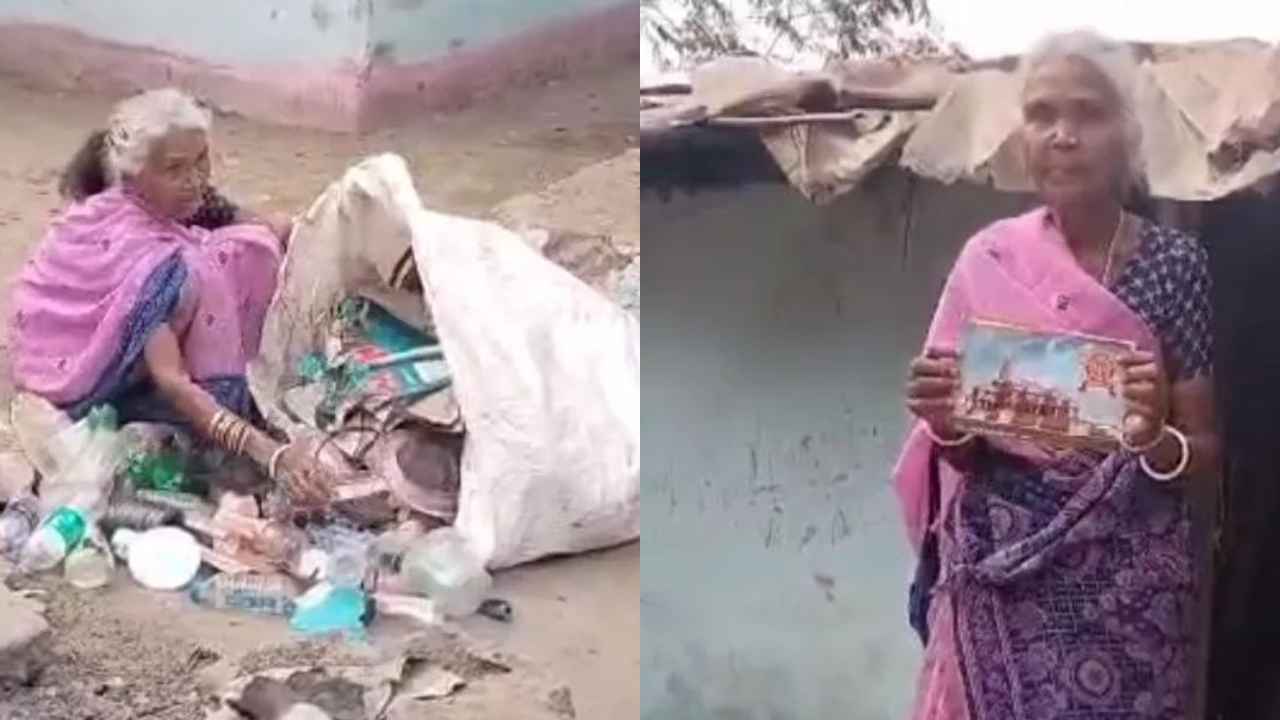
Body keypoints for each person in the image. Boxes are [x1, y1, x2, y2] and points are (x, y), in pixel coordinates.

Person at [895, 31, 1220, 719]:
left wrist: (1150, 438)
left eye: (1088, 114)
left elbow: (1205, 453)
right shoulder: (989, 259)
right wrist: (947, 423)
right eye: (1042, 114)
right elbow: (961, 451)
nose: (1063, 135)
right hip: (1002, 583)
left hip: (1132, 593)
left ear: (1127, 134)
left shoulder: (1174, 266)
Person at [11, 88, 332, 504]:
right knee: (205, 267)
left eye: (201, 161)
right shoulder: (150, 263)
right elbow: (174, 382)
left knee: (252, 244)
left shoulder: (156, 202)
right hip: (95, 385)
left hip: (78, 355)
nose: (195, 179)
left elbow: (252, 222)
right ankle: (211, 402)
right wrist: (270, 454)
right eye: (175, 169)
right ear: (134, 175)